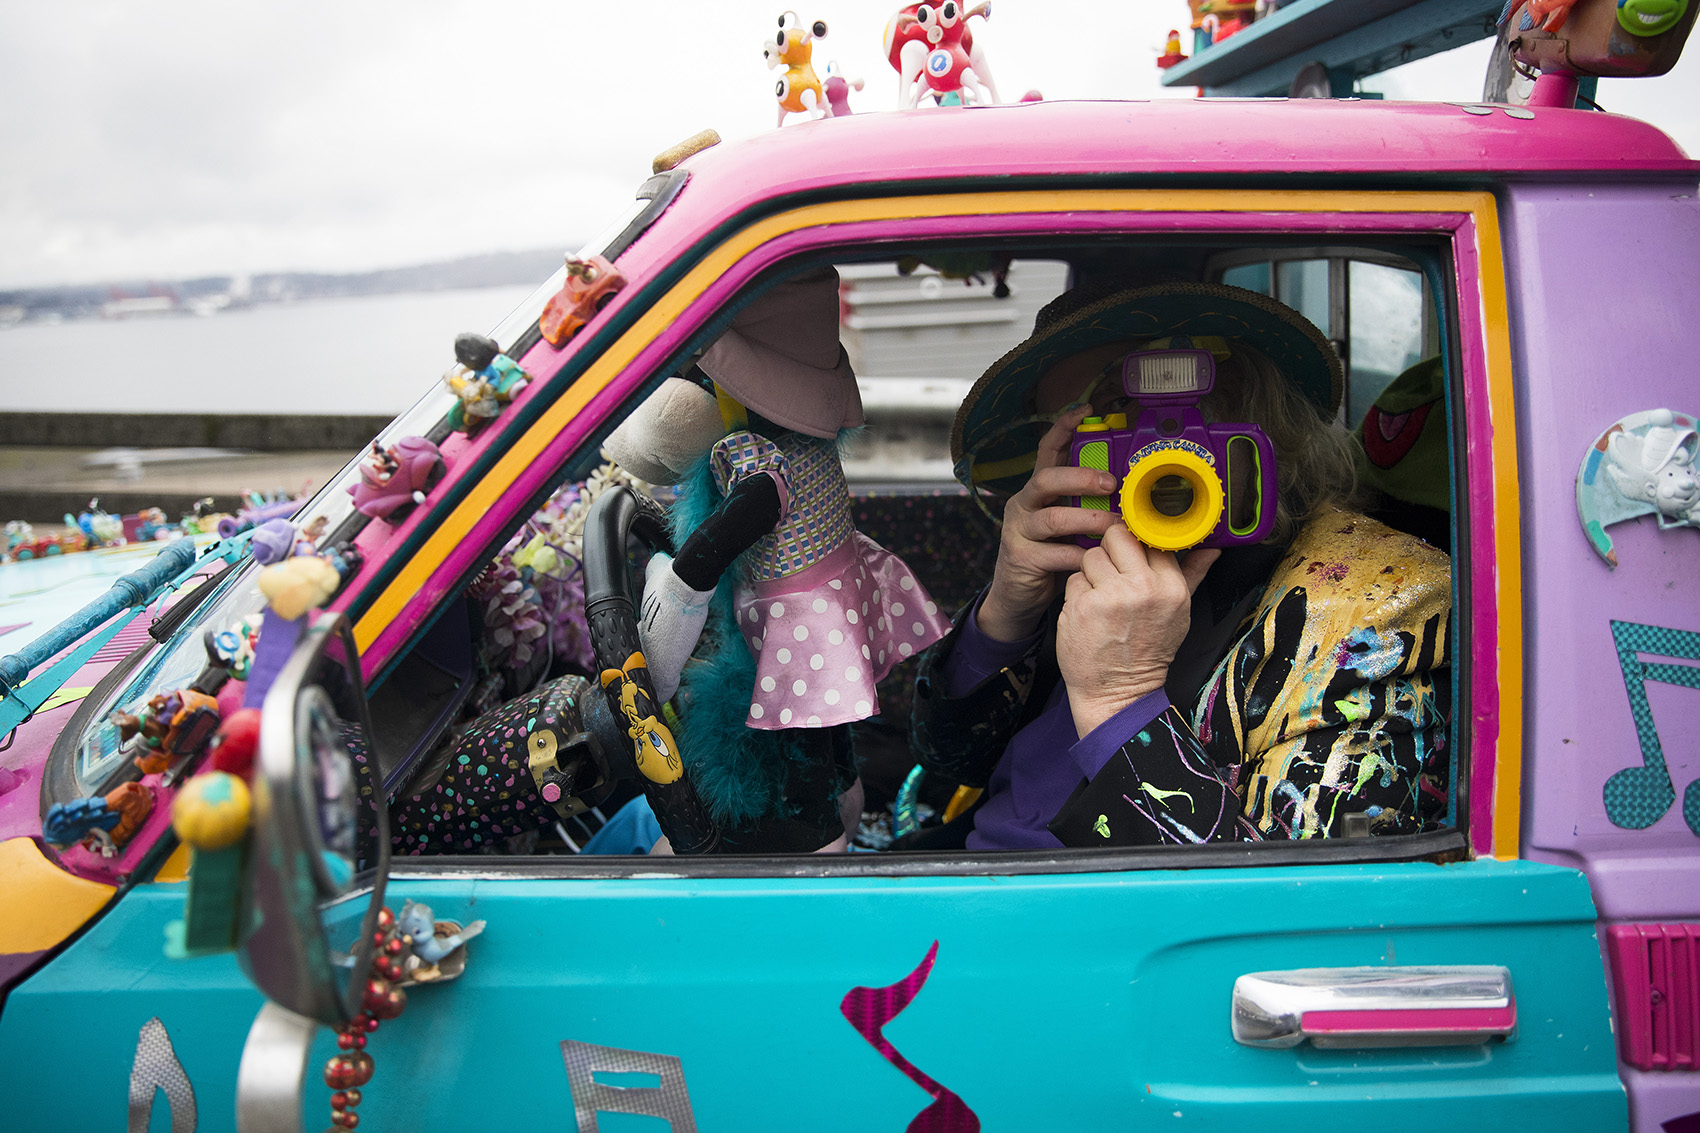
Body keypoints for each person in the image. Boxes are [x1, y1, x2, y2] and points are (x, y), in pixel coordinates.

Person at [909, 281, 1453, 850]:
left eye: (1125, 411)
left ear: (1244, 406)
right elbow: (948, 761)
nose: (1127, 456)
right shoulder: (1081, 559)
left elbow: (1295, 911)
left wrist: (1121, 701)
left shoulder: (1382, 609)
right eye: (1079, 432)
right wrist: (1005, 616)